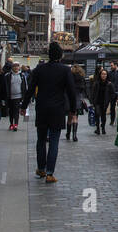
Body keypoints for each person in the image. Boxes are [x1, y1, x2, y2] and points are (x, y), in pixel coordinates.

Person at [22, 43, 79, 183]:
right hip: (57, 110)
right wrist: (72, 110)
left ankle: (41, 168)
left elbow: (30, 89)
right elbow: (72, 92)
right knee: (54, 141)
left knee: (41, 140)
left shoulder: (39, 69)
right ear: (60, 55)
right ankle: (49, 173)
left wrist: (23, 105)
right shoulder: (65, 70)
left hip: (41, 108)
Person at [66, 65, 87, 141]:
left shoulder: (70, 77)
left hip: (69, 97)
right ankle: (74, 135)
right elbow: (83, 88)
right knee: (75, 116)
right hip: (78, 97)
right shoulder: (81, 78)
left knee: (69, 117)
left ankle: (68, 134)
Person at [90, 68, 113, 135]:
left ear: (107, 75)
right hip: (97, 101)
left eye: (105, 74)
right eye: (102, 74)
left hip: (105, 102)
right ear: (100, 75)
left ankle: (103, 128)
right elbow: (93, 93)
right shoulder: (96, 83)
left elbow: (112, 93)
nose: (104, 75)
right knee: (97, 114)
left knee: (103, 115)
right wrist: (92, 101)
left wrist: (109, 100)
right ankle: (97, 128)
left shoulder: (109, 84)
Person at [4, 62, 25, 131]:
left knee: (16, 110)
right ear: (12, 67)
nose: (16, 68)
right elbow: (5, 85)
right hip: (10, 96)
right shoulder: (8, 76)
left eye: (17, 66)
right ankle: (11, 124)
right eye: (14, 66)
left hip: (18, 96)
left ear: (19, 67)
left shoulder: (22, 75)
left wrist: (24, 96)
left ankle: (16, 124)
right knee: (11, 111)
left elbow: (24, 86)